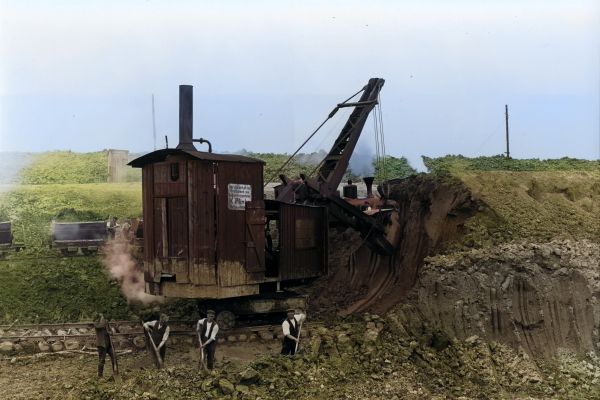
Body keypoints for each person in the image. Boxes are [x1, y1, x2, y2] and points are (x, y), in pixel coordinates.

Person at [93, 313, 116, 378]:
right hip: (102, 344)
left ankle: (115, 372)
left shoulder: (105, 322)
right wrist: (102, 318)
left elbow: (109, 331)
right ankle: (100, 375)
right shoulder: (96, 323)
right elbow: (100, 326)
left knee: (114, 357)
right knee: (102, 360)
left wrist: (112, 332)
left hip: (109, 344)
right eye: (102, 316)